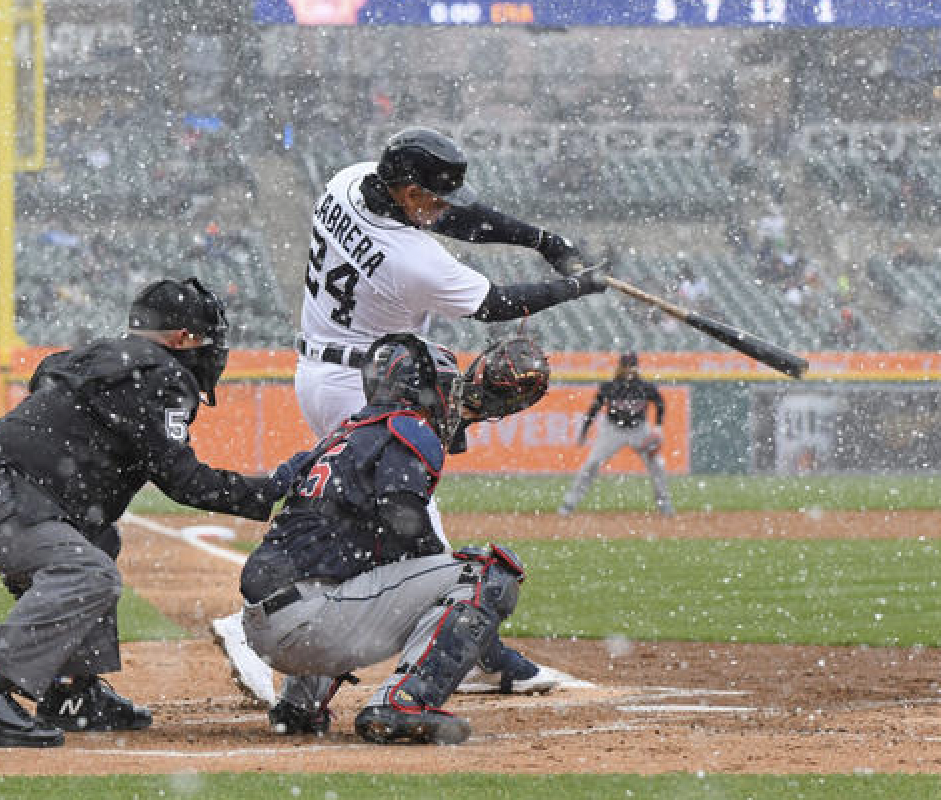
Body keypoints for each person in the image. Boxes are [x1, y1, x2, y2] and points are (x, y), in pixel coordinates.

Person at [213, 125, 604, 703]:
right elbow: (493, 304)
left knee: (360, 521)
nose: (440, 209)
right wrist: (574, 285)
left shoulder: (348, 181)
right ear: (405, 188)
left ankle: (290, 636)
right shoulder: (412, 258)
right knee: (417, 532)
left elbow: (453, 219)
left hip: (325, 368)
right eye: (431, 196)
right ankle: (475, 653)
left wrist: (541, 238)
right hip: (364, 383)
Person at [0, 278, 303, 748]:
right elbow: (184, 481)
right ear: (182, 339)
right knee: (88, 574)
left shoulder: (104, 356)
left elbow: (51, 385)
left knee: (97, 540)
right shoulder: (160, 372)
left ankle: (71, 691)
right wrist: (274, 490)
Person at [239, 333, 549, 744]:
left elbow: (276, 488)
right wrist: (455, 596)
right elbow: (404, 521)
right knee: (487, 575)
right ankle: (405, 702)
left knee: (358, 563)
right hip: (310, 626)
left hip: (266, 625)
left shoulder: (344, 434)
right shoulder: (410, 428)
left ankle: (299, 704)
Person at [559, 352, 674, 516]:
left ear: (636, 367)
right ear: (620, 367)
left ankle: (664, 503)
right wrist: (585, 430)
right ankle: (570, 503)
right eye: (626, 366)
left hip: (639, 429)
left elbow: (660, 403)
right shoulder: (610, 386)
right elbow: (594, 409)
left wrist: (658, 427)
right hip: (612, 430)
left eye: (631, 366)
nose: (628, 369)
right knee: (592, 463)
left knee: (657, 464)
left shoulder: (644, 386)